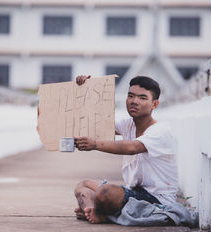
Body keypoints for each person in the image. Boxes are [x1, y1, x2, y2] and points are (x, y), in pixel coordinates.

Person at [74, 75, 179, 224]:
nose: (134, 101)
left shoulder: (161, 131)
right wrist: (85, 90)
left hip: (157, 199)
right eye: (130, 96)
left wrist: (95, 144)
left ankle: (100, 212)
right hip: (133, 192)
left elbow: (132, 147)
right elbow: (96, 121)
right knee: (83, 185)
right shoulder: (128, 124)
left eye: (142, 98)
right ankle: (91, 210)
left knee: (106, 193)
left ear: (154, 104)